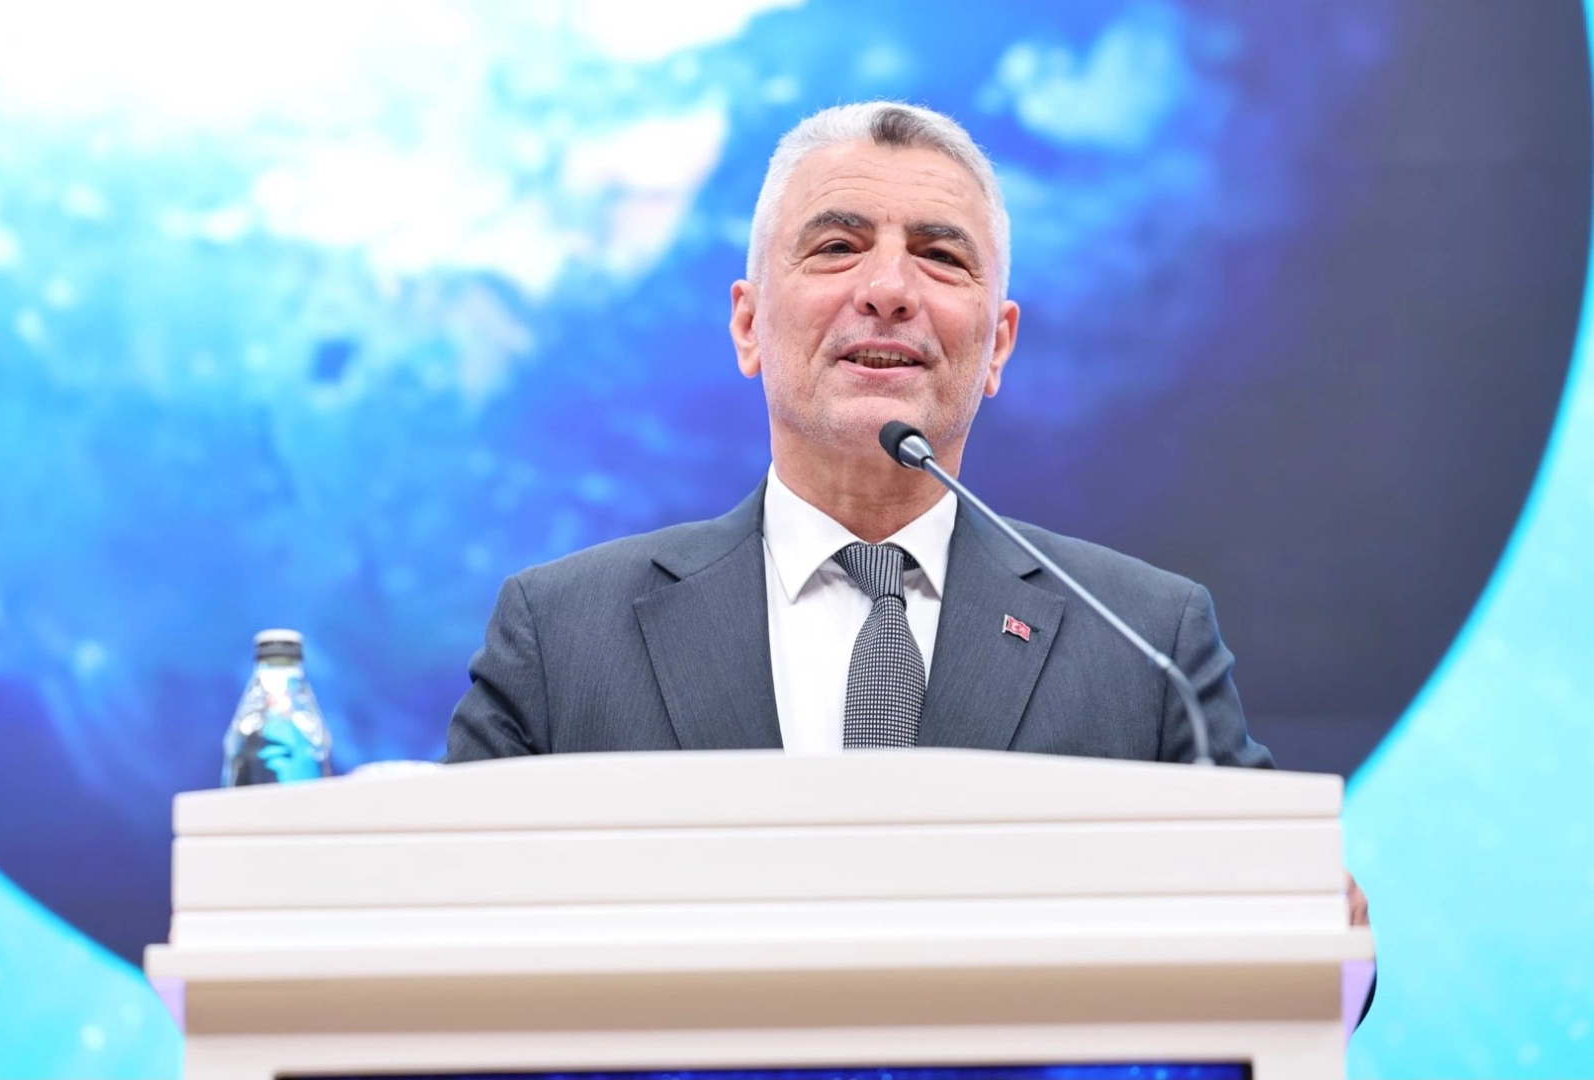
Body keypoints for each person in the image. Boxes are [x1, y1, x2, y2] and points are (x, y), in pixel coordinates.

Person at [444, 100, 1271, 768]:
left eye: (940, 256)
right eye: (838, 246)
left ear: (998, 345)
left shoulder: (1147, 644)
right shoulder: (561, 637)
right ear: (748, 325)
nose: (888, 289)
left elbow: (1276, 914)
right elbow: (446, 909)